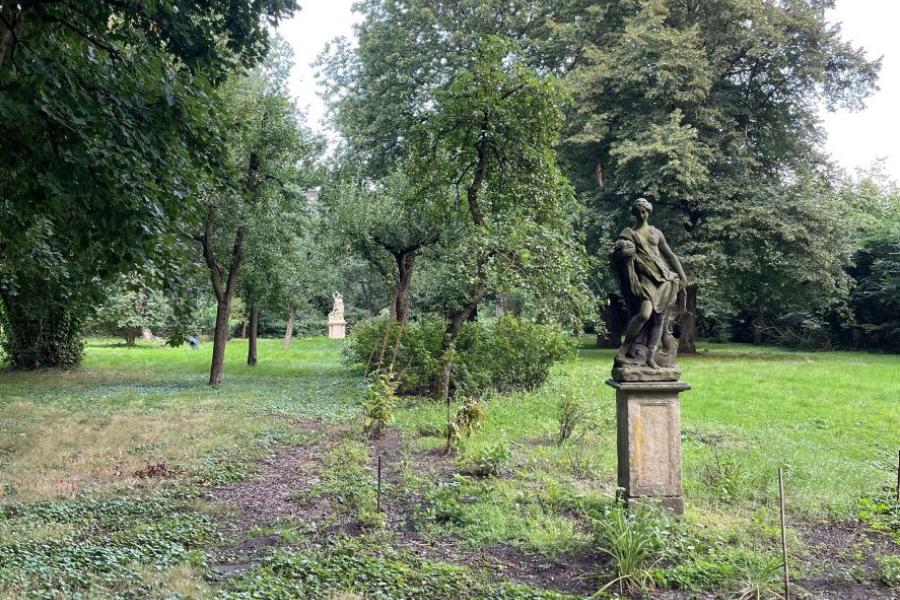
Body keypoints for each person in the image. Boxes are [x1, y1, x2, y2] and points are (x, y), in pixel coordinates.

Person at [612, 198, 687, 369]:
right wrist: (623, 254)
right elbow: (616, 255)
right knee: (645, 314)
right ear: (634, 213)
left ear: (649, 212)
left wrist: (683, 277)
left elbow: (670, 255)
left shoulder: (656, 233)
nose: (642, 214)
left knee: (659, 319)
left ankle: (651, 356)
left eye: (644, 211)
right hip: (645, 279)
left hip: (664, 278)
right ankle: (625, 347)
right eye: (638, 212)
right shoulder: (629, 233)